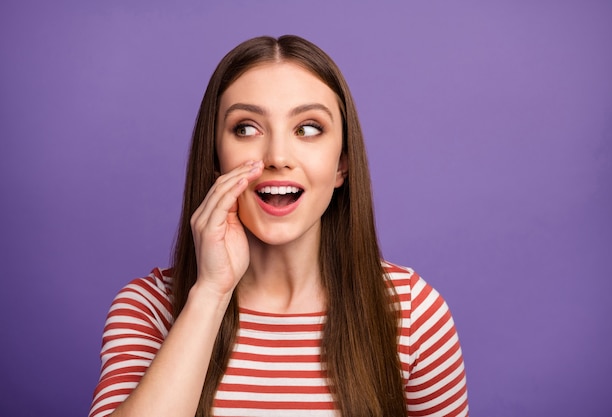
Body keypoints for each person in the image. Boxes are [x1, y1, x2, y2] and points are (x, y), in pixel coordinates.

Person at [88, 35, 469, 417]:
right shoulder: (149, 308)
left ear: (342, 165)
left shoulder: (411, 313)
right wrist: (210, 294)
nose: (278, 157)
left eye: (307, 128)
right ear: (216, 160)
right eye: (246, 128)